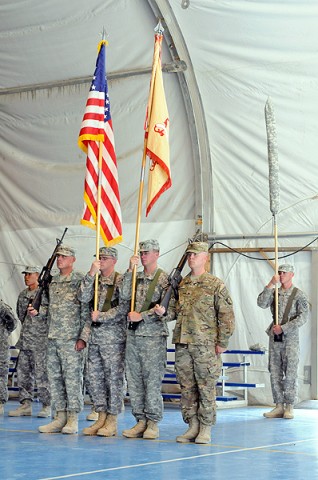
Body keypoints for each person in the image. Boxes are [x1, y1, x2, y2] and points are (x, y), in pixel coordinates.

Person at [172, 241, 235, 444]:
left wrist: (222, 341)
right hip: (183, 343)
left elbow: (226, 315)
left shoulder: (215, 284)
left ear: (205, 258)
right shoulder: (181, 284)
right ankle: (193, 426)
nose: (191, 257)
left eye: (196, 254)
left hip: (205, 344)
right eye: (189, 254)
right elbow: (175, 310)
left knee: (206, 386)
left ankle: (206, 427)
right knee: (187, 387)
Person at [121, 239, 175, 440]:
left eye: (147, 252)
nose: (143, 256)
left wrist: (143, 315)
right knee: (134, 381)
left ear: (156, 254)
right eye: (141, 252)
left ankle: (152, 422)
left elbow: (171, 311)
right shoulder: (134, 276)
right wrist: (129, 270)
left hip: (153, 338)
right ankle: (140, 421)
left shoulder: (164, 279)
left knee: (151, 382)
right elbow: (124, 296)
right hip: (133, 336)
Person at [77, 246, 129, 437]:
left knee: (113, 380)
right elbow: (82, 297)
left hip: (113, 339)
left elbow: (124, 307)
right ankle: (101, 417)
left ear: (114, 261)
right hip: (95, 338)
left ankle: (112, 420)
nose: (101, 261)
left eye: (105, 258)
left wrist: (102, 317)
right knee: (95, 379)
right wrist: (91, 273)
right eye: (99, 257)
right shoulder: (95, 280)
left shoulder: (121, 280)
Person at [38, 245, 88, 434]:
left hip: (71, 339)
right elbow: (49, 308)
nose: (60, 260)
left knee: (72, 379)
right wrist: (38, 312)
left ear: (73, 259)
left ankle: (73, 418)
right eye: (58, 256)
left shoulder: (79, 280)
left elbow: (86, 311)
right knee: (55, 378)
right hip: (53, 337)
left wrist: (83, 337)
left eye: (64, 257)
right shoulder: (53, 282)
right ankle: (59, 416)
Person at [257, 263, 309, 420]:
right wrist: (270, 284)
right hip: (275, 338)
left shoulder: (299, 295)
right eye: (279, 272)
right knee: (275, 370)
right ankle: (278, 405)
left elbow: (303, 317)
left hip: (290, 337)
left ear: (292, 274)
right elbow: (261, 303)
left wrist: (285, 328)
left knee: (290, 370)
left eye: (284, 272)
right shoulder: (274, 293)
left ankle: (289, 406)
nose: (281, 275)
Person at [9, 266, 51, 418]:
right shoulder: (23, 295)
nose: (26, 277)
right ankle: (25, 404)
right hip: (26, 339)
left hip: (41, 341)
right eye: (25, 274)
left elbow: (49, 314)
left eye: (30, 274)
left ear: (38, 276)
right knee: (24, 373)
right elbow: (21, 316)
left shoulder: (46, 293)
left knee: (42, 374)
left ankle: (47, 404)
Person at [0, 299, 18, 415]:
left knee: (1, 374)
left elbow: (13, 322)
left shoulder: (1, 306)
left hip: (1, 345)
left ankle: (0, 402)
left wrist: (4, 334)